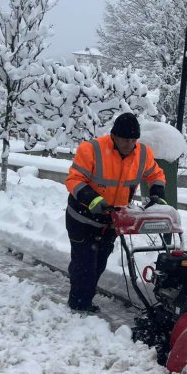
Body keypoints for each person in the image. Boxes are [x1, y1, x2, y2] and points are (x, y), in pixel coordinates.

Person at [64, 112, 166, 312]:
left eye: (133, 140)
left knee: (98, 264)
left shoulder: (142, 154)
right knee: (85, 264)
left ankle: (81, 291)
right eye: (125, 139)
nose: (129, 144)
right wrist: (93, 200)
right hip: (82, 219)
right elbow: (74, 180)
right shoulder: (92, 150)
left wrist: (156, 194)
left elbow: (156, 174)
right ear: (114, 136)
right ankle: (79, 306)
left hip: (111, 221)